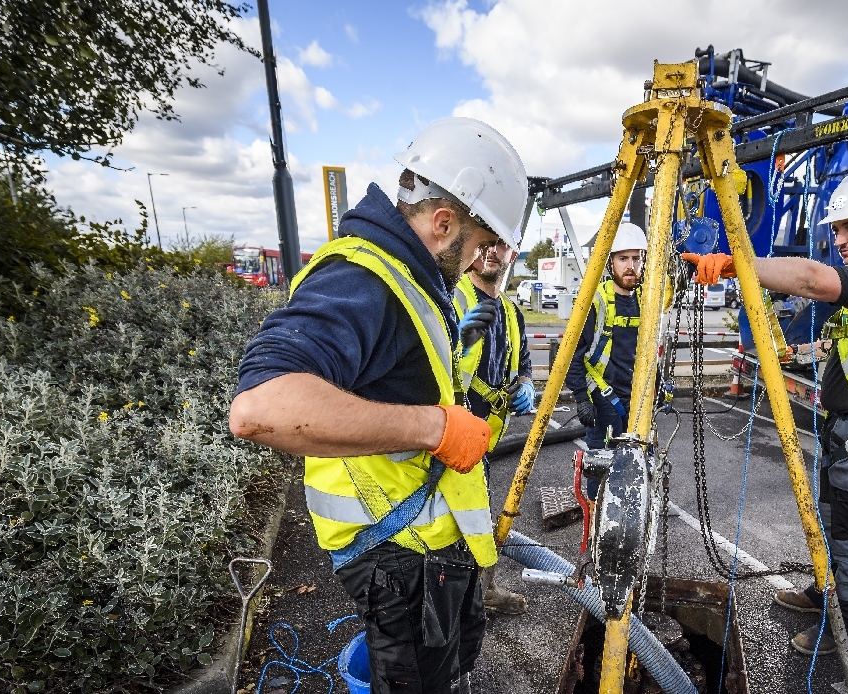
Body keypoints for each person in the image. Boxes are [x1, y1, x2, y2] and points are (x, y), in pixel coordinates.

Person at [229, 117, 528, 694]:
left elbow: (397, 373)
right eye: (480, 245)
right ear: (444, 224)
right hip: (397, 555)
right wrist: (435, 426)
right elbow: (260, 406)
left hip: (425, 546)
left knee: (447, 666)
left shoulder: (408, 277)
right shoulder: (363, 279)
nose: (478, 262)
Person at [684, 169, 848, 655]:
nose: (841, 239)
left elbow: (811, 279)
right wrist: (811, 351)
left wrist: (733, 264)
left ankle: (846, 627)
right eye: (837, 229)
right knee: (830, 522)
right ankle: (825, 592)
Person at [452, 241, 535, 614]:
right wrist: (458, 343)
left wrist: (528, 386)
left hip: (482, 440)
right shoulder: (450, 300)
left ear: (512, 254)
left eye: (500, 245)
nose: (490, 251)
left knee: (477, 517)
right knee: (445, 524)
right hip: (445, 438)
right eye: (483, 241)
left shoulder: (512, 314)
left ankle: (481, 591)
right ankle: (454, 600)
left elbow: (525, 366)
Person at [568, 222, 647, 498]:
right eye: (623, 258)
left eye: (636, 258)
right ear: (611, 262)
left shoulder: (646, 300)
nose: (630, 266)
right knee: (600, 467)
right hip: (603, 400)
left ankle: (626, 519)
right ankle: (595, 523)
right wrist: (581, 397)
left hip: (637, 400)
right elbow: (572, 353)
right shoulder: (596, 300)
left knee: (635, 465)